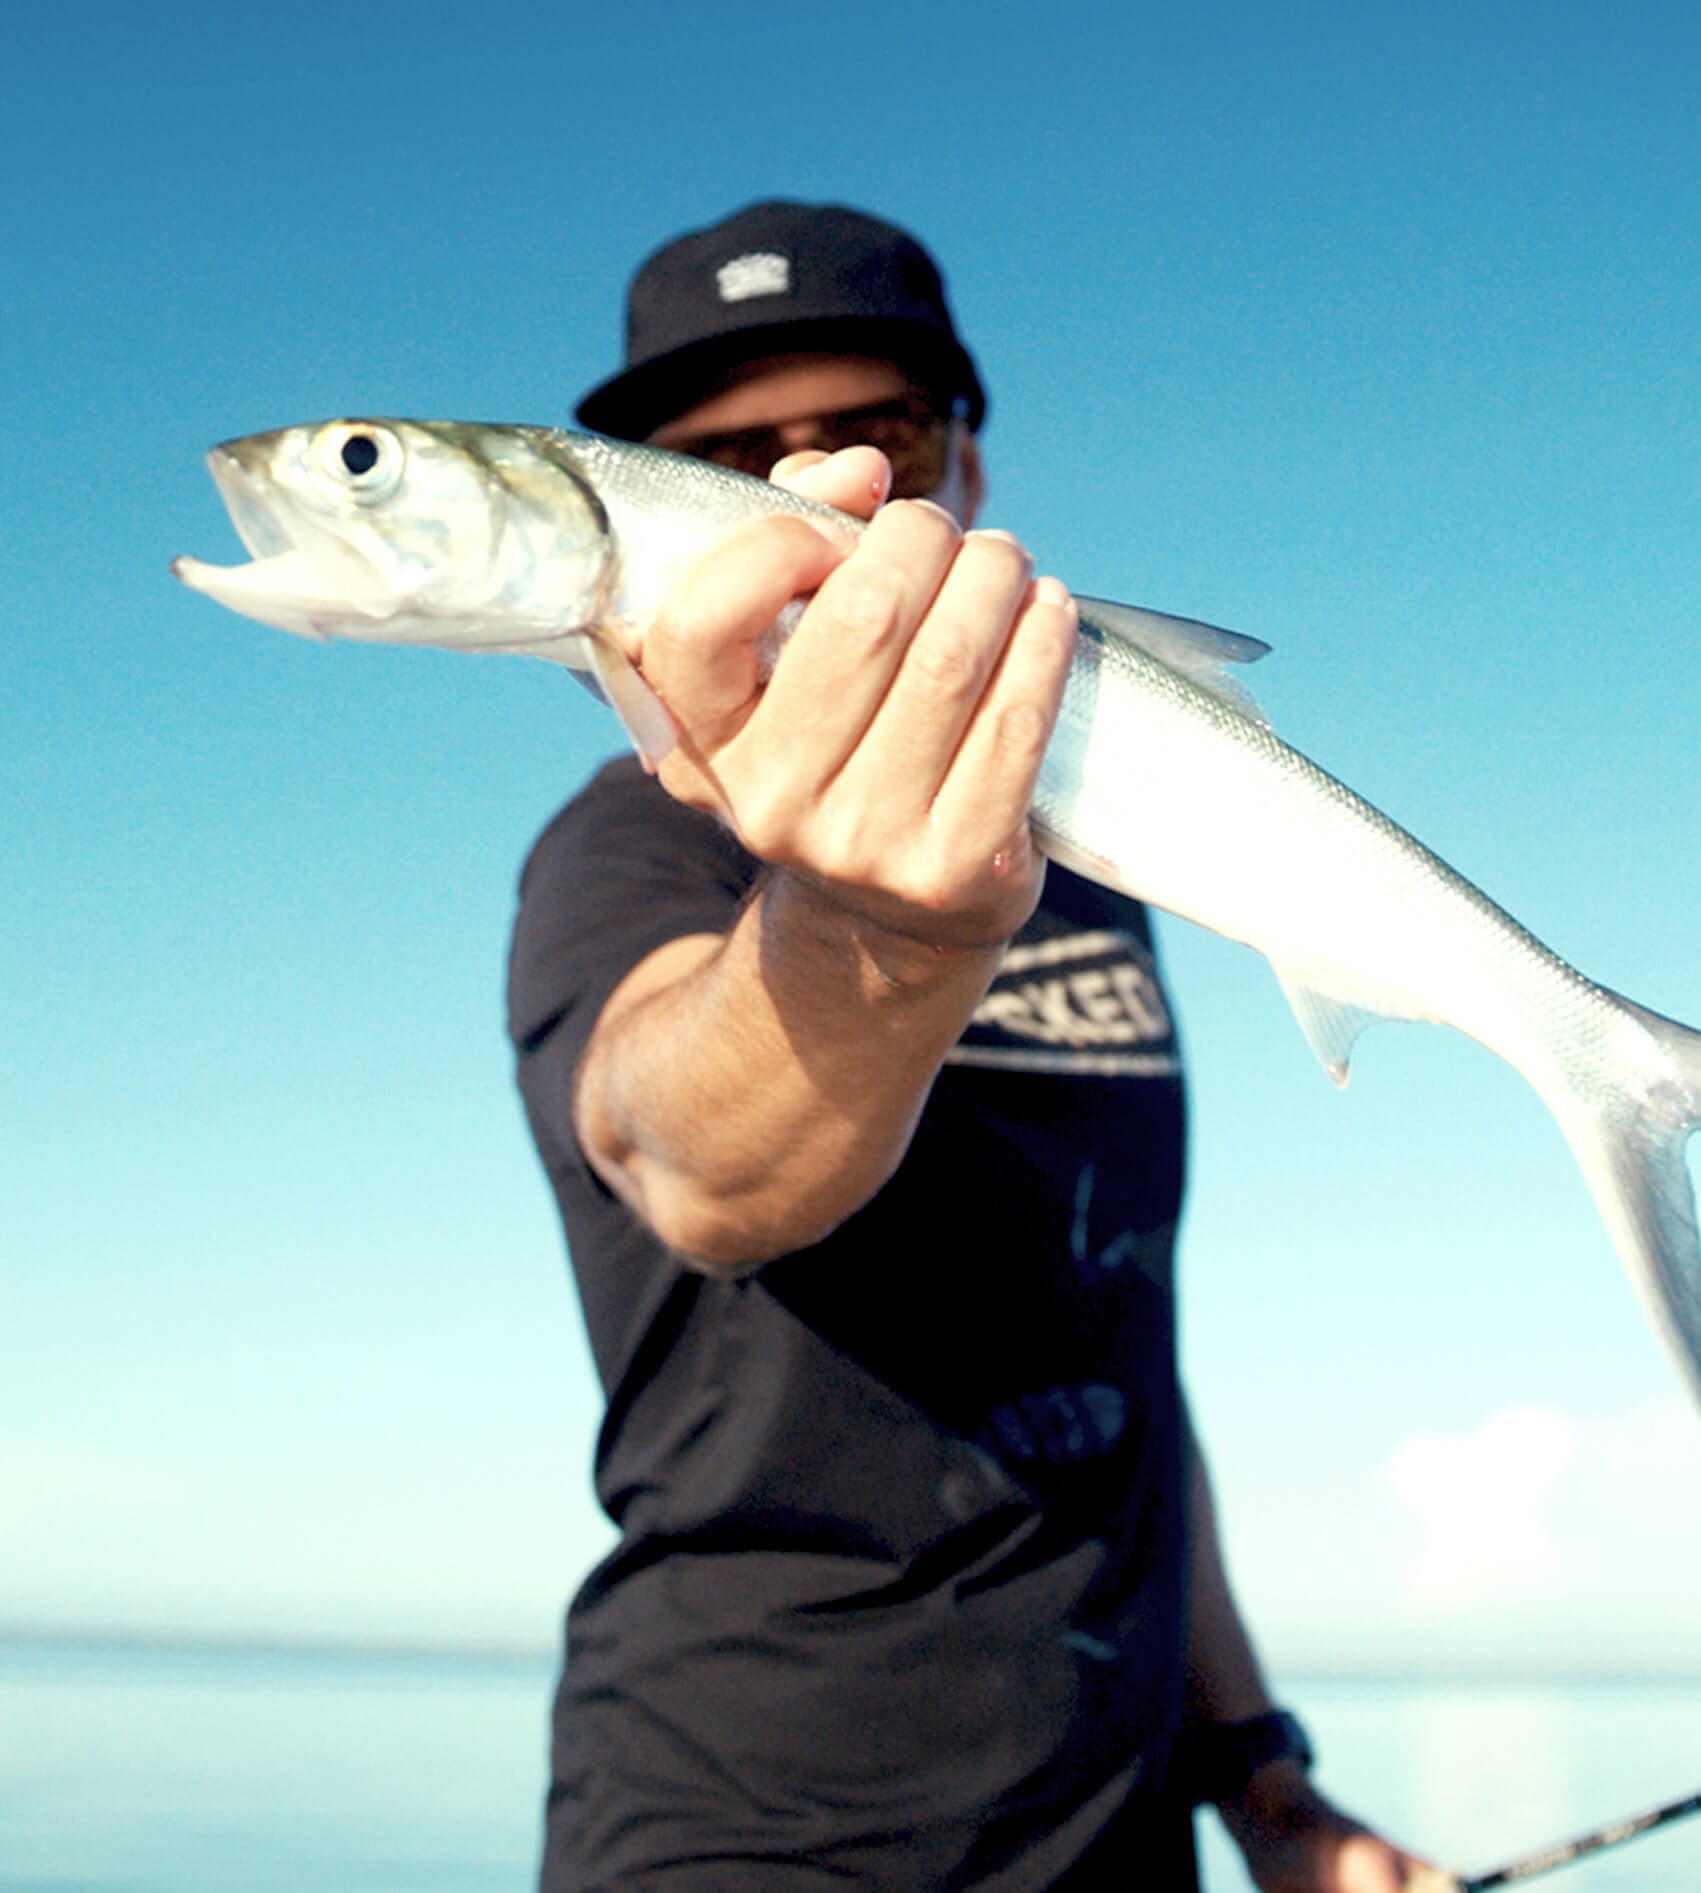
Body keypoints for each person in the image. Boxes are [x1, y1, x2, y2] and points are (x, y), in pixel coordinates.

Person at [508, 201, 1434, 1891]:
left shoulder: (1101, 874)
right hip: (753, 1834)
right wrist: (875, 929)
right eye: (721, 458)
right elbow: (692, 1163)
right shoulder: (625, 855)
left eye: (872, 433)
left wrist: (1266, 1782)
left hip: (1129, 1827)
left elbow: (1130, 1363)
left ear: (964, 467)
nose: (808, 488)